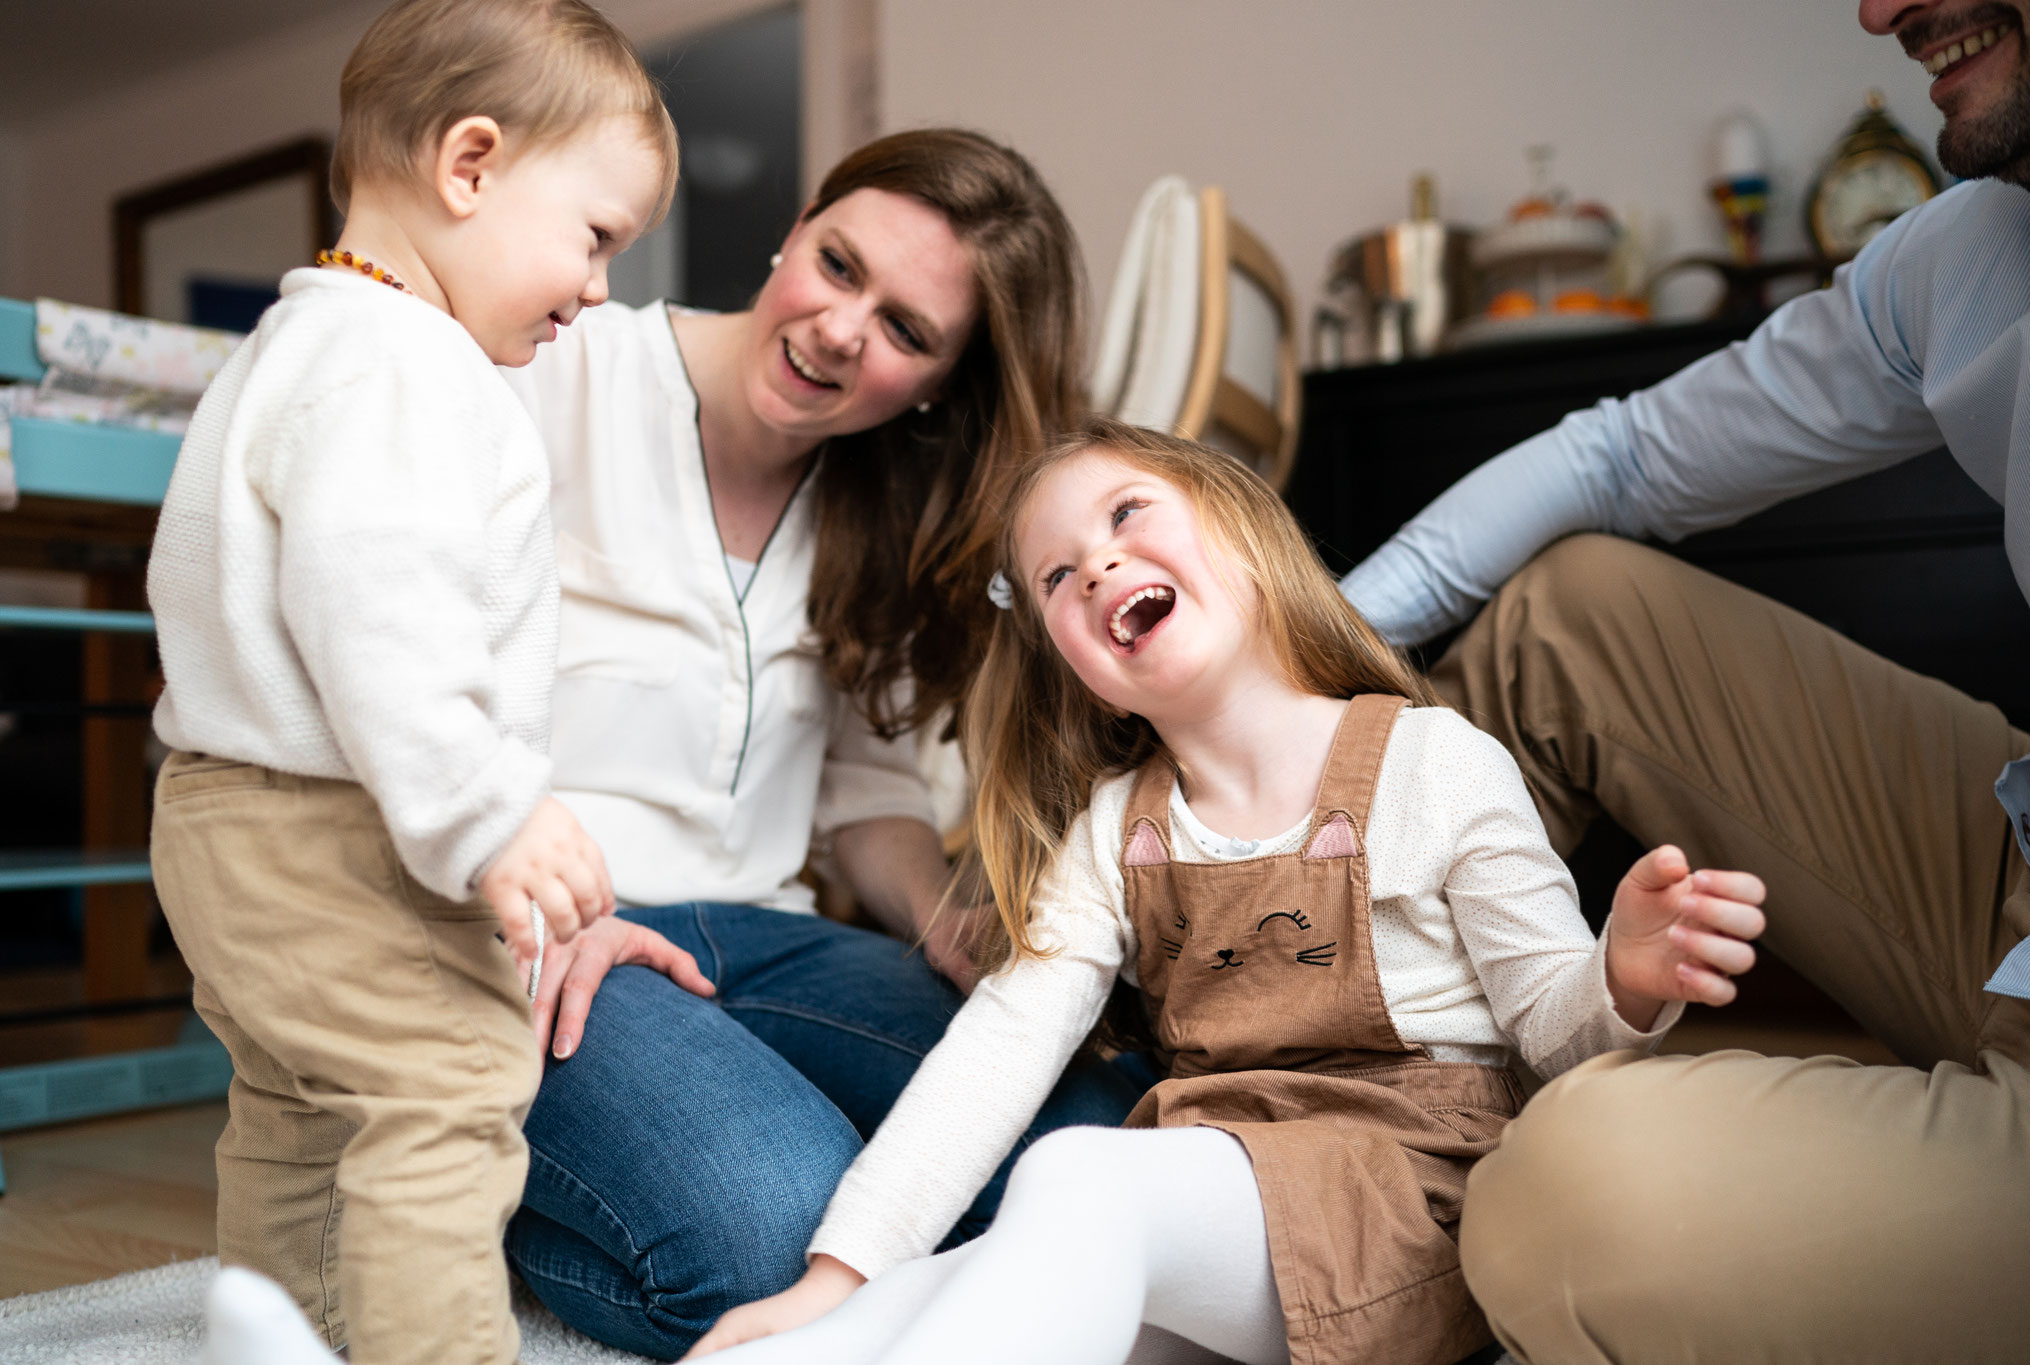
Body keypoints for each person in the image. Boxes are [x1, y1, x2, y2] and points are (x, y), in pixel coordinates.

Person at [682, 417, 1766, 1365]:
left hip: (1414, 1206)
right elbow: (999, 1049)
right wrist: (837, 1277)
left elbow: (1553, 1038)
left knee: (1074, 1182)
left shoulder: (1433, 762)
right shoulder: (1116, 829)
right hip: (1215, 1194)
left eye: (1124, 516)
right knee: (914, 1300)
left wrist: (1618, 979)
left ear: (1242, 529)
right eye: (1057, 576)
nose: (1097, 567)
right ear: (1072, 663)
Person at [1335, 2, 2030, 1359]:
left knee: (1567, 1197)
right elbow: (1622, 459)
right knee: (1569, 615)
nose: (1879, 11)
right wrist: (1289, 668)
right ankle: (1291, 1035)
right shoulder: (1983, 247)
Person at [493, 129, 1147, 1358]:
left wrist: (945, 920)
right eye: (838, 265)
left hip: (763, 939)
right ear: (795, 226)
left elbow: (859, 790)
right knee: (777, 1228)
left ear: (943, 384)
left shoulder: (880, 509)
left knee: (1094, 1135)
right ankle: (466, 1187)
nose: (843, 329)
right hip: (548, 928)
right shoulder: (557, 375)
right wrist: (533, 899)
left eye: (906, 330)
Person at [145, 3, 677, 1363]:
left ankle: (283, 1328)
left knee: (297, 1106)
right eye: (598, 235)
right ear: (471, 164)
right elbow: (379, 618)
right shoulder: (402, 370)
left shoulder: (290, 348)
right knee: (443, 1086)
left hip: (220, 816)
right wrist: (493, 810)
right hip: (332, 830)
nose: (602, 286)